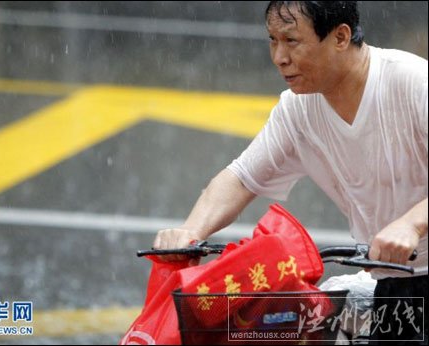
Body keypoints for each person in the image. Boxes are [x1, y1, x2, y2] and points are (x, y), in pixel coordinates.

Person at [153, 1, 427, 343]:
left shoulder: (413, 82)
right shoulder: (298, 109)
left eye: (292, 41)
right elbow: (240, 177)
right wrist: (189, 231)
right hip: (395, 281)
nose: (279, 57)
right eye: (272, 40)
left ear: (340, 37)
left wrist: (411, 224)